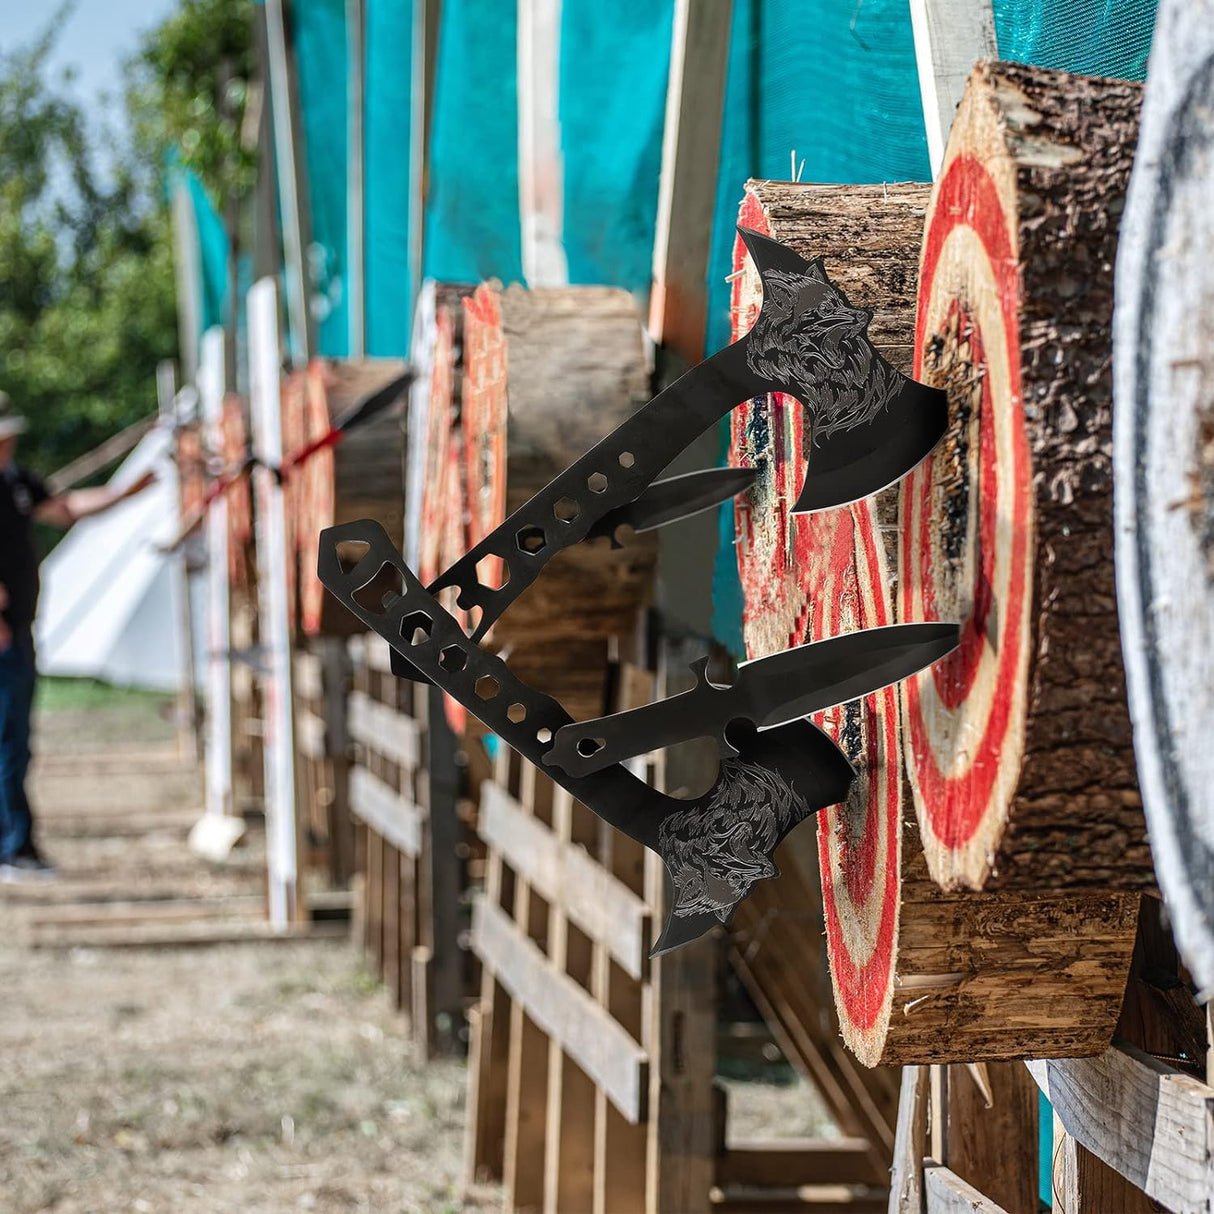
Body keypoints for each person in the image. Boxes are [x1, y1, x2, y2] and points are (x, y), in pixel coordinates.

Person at [0, 391, 156, 880]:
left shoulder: (15, 480)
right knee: (6, 742)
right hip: (4, 634)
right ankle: (13, 847)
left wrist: (129, 492)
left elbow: (64, 508)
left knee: (16, 742)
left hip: (17, 630)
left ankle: (15, 843)